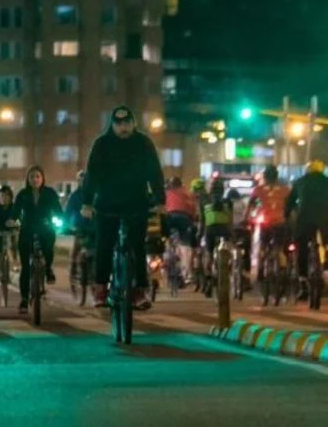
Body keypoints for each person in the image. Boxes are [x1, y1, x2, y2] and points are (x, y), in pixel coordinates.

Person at [80, 105, 165, 309]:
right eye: (118, 124)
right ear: (112, 125)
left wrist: (160, 201)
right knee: (104, 246)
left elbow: (155, 172)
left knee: (137, 247)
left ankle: (139, 292)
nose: (123, 127)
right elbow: (92, 175)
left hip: (137, 203)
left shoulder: (144, 143)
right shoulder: (102, 144)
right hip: (107, 204)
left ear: (133, 123)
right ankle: (101, 289)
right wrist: (87, 203)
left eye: (127, 123)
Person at [285, 160, 328, 299]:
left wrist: (287, 215)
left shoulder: (300, 181)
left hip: (305, 217)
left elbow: (290, 201)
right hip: (325, 218)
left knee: (301, 247)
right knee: (327, 233)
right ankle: (327, 250)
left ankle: (303, 279)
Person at [14, 166, 62, 313]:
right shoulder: (23, 194)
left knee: (48, 248)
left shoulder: (50, 193)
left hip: (45, 226)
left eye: (37, 176)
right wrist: (12, 220)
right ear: (28, 179)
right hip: (27, 229)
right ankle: (24, 299)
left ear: (42, 178)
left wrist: (62, 220)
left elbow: (58, 210)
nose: (35, 179)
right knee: (25, 267)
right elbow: (16, 210)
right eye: (32, 177)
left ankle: (48, 269)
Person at [247, 165, 291, 279]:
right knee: (280, 246)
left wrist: (246, 218)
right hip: (281, 221)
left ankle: (261, 269)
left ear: (265, 177)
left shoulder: (258, 189)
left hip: (265, 222)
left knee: (263, 244)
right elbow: (291, 206)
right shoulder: (285, 189)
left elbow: (250, 205)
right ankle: (282, 264)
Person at [163, 177, 198, 280]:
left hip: (170, 217)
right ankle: (187, 273)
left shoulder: (166, 193)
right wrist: (192, 219)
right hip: (185, 218)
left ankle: (167, 262)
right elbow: (193, 209)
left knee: (167, 239)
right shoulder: (187, 193)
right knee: (186, 245)